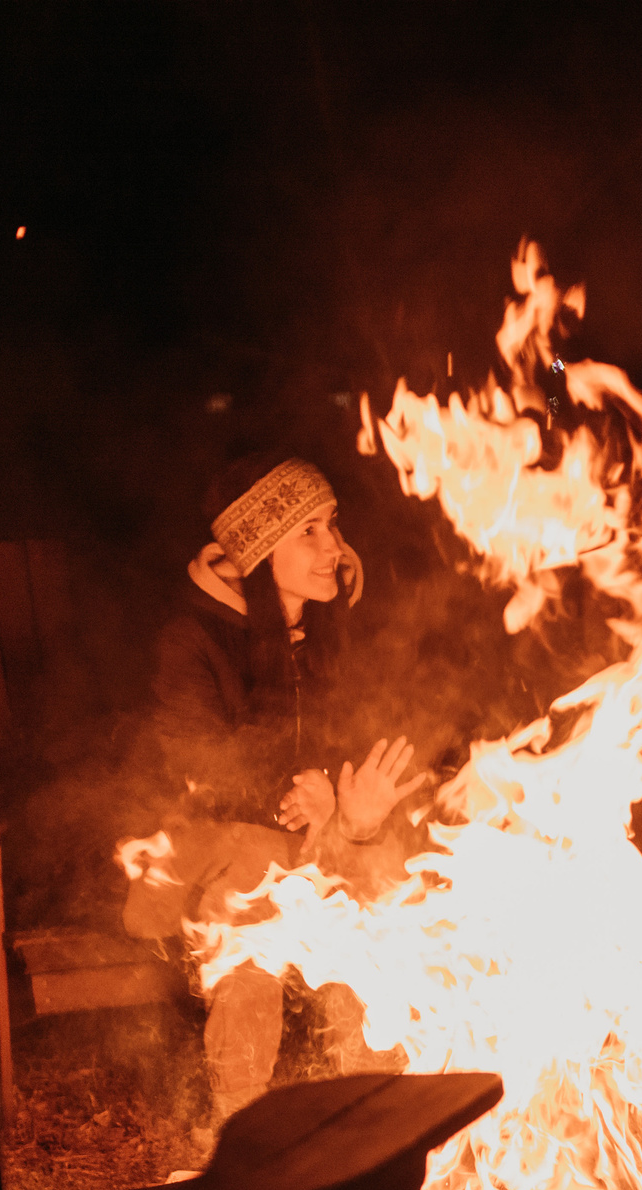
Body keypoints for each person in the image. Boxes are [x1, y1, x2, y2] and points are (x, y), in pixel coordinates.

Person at [123, 453, 430, 1121]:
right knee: (253, 879)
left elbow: (366, 754)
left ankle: (371, 1117)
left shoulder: (332, 633)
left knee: (372, 892)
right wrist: (307, 799)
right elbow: (206, 771)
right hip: (200, 859)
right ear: (262, 551)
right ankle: (240, 1126)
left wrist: (357, 813)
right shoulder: (193, 639)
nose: (334, 549)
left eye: (332, 524)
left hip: (311, 852)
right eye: (309, 532)